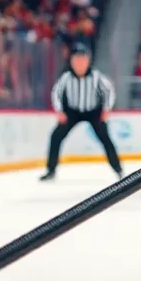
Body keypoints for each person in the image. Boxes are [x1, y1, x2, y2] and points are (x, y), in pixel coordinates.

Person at [41, 45, 123, 181]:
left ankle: (118, 170)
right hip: (72, 112)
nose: (79, 63)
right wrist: (60, 111)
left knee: (106, 139)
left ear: (88, 61)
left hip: (93, 112)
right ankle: (51, 171)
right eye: (76, 60)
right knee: (56, 136)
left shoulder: (97, 77)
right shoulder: (66, 77)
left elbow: (109, 91)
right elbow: (56, 93)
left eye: (82, 60)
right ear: (71, 62)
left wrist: (106, 109)